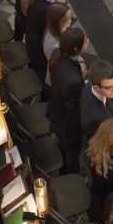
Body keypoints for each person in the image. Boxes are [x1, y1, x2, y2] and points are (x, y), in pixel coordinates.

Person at [47, 27, 87, 173]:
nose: (88, 41)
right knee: (71, 155)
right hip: (68, 127)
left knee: (63, 148)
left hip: (56, 113)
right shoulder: (73, 81)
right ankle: (70, 175)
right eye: (85, 41)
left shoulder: (57, 55)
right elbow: (73, 113)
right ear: (76, 48)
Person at [80, 59, 113, 142]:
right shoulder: (96, 119)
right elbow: (98, 143)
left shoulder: (91, 83)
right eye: (109, 88)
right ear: (96, 88)